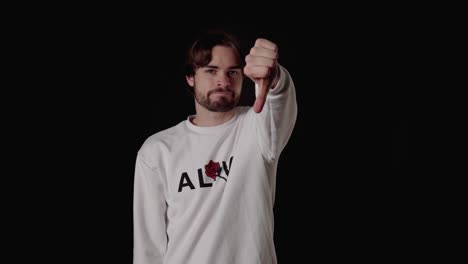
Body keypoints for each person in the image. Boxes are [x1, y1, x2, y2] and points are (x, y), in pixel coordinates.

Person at [133, 29, 297, 264]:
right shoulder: (157, 150)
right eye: (211, 71)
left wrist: (275, 77)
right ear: (191, 77)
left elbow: (279, 99)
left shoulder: (258, 126)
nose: (223, 81)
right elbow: (148, 249)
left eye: (233, 72)